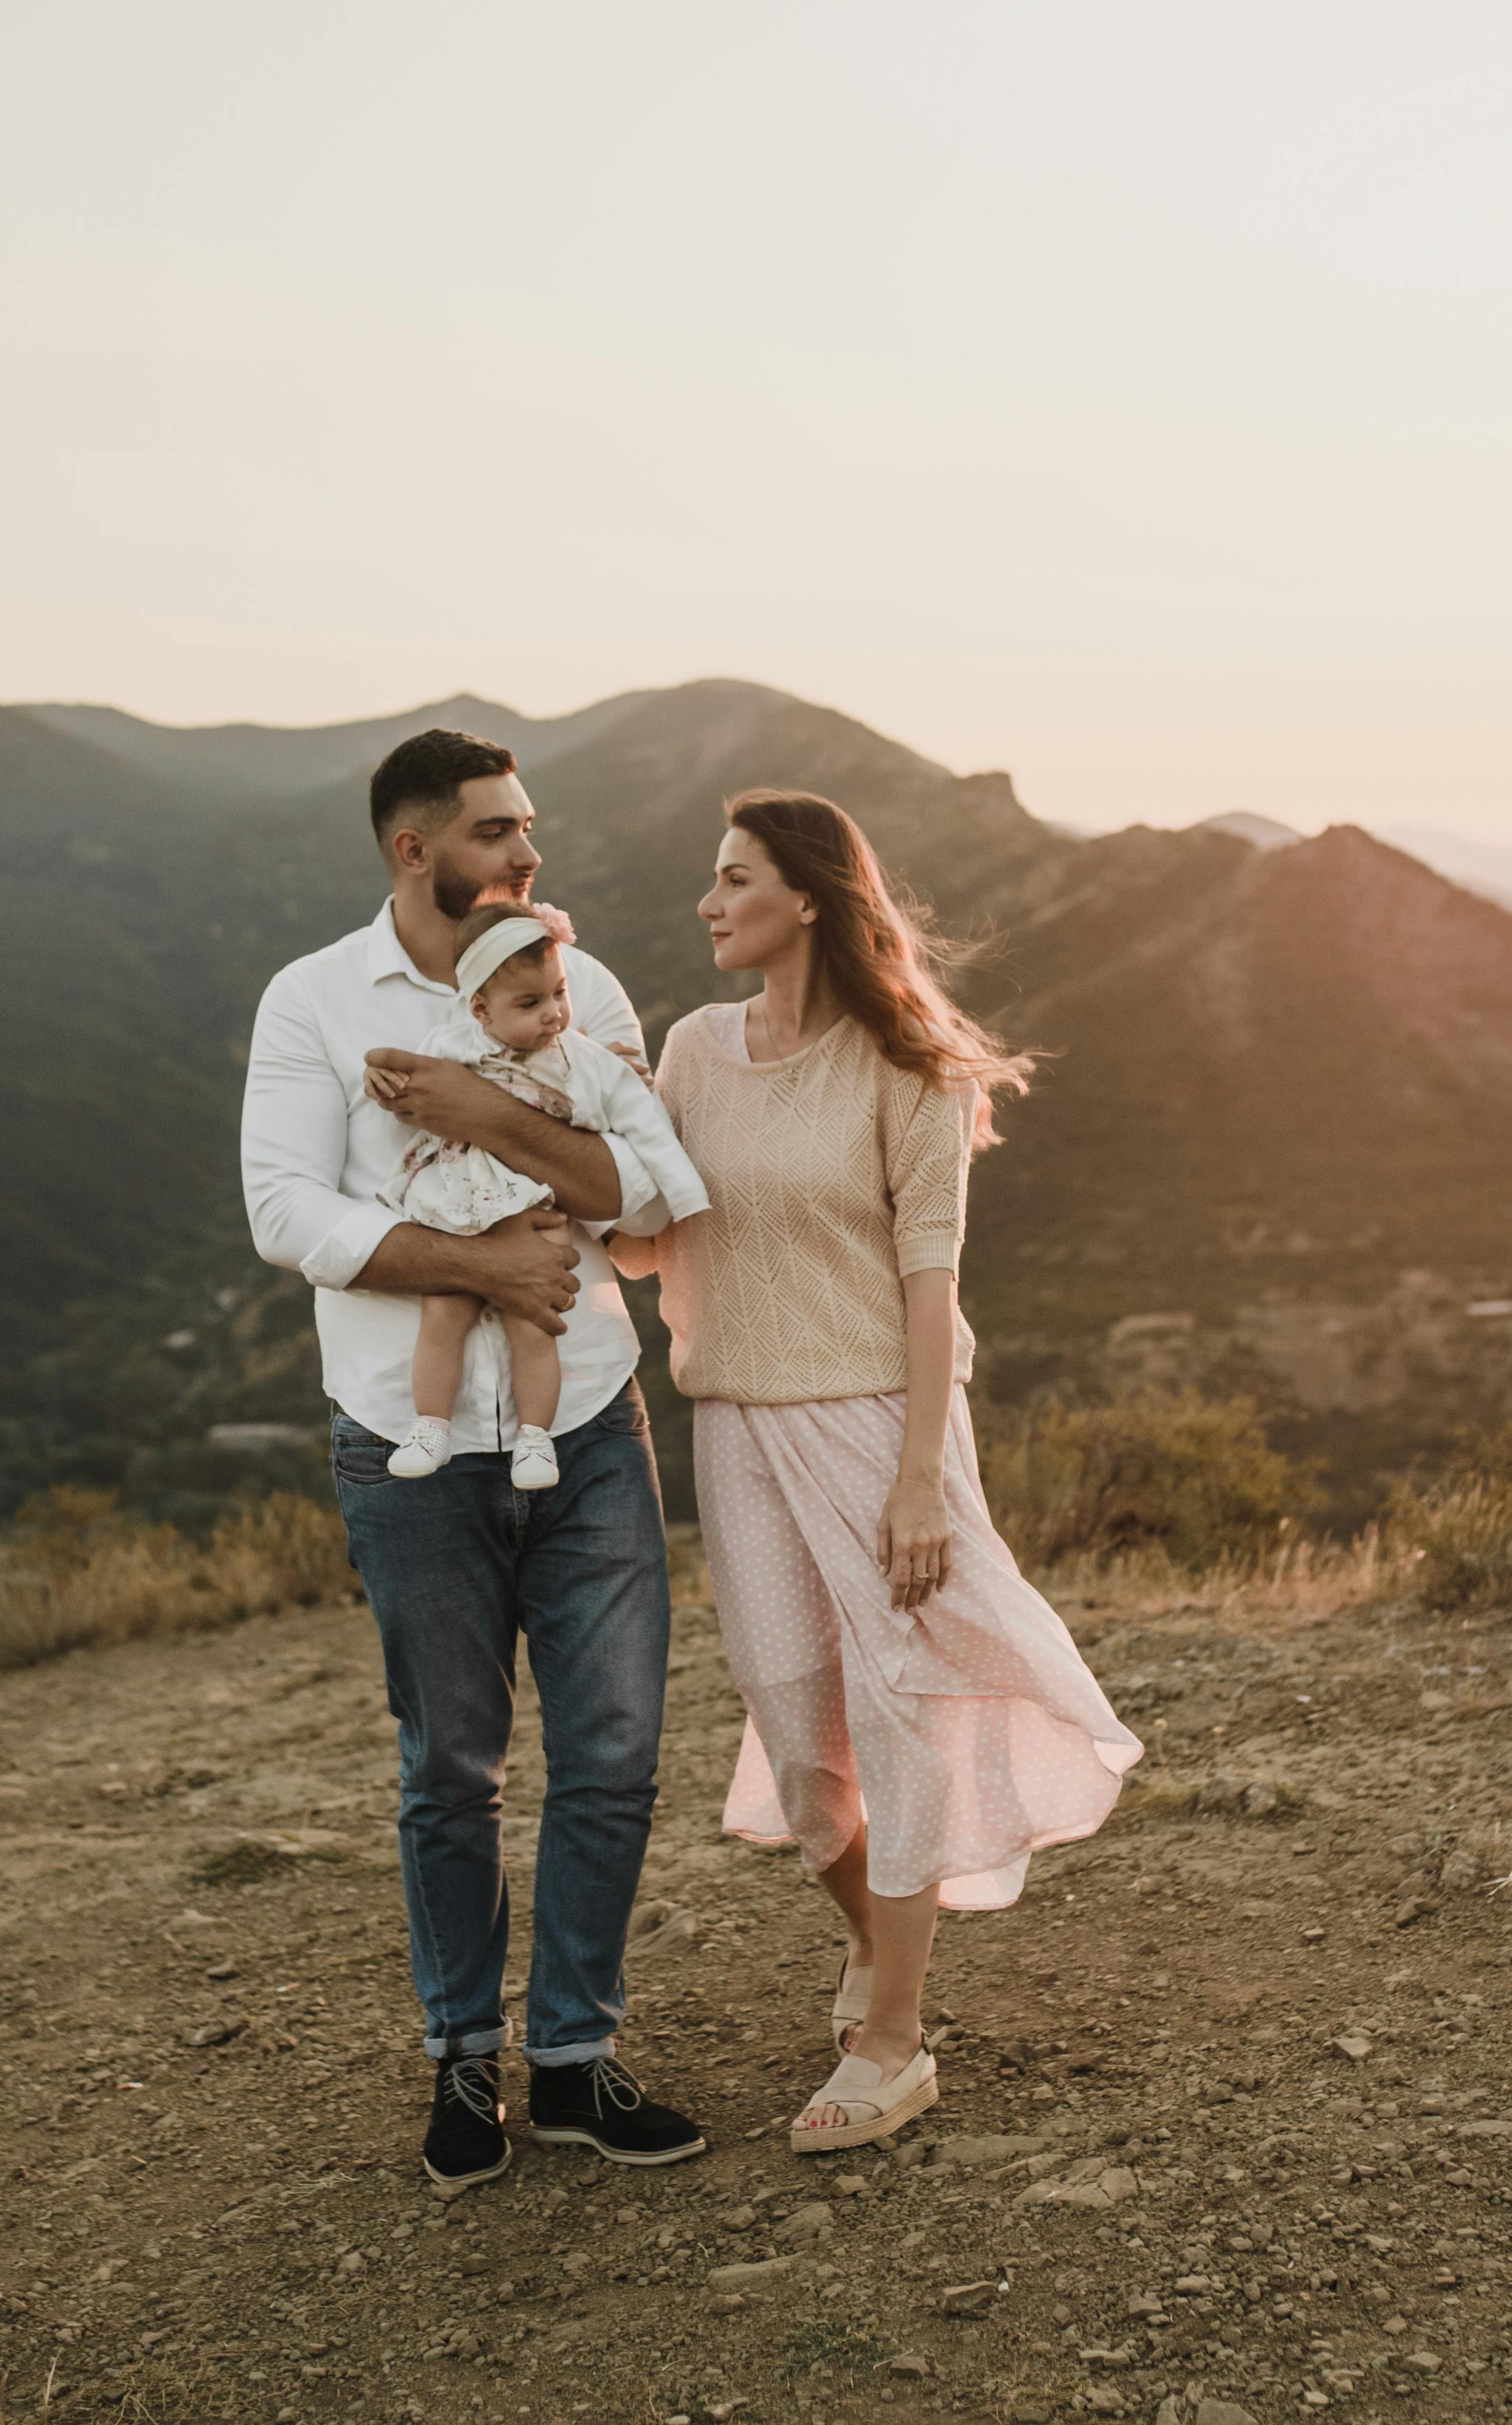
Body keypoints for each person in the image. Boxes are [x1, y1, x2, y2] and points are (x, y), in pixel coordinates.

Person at [619, 789, 1140, 2154]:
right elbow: (641, 1237)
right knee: (802, 1738)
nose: (707, 901)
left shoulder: (909, 1065)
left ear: (806, 897)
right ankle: (870, 1933)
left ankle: (898, 2039)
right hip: (734, 1421)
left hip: (875, 1418)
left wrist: (920, 1475)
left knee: (903, 1696)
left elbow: (930, 1282)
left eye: (732, 877)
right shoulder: (692, 1047)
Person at [239, 727, 706, 2195]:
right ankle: (463, 2057)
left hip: (591, 1428)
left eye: (530, 828)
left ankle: (571, 2058)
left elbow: (639, 1193)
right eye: (501, 831)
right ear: (415, 848)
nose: (528, 856)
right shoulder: (315, 998)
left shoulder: (588, 986)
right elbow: (283, 1209)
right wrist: (477, 1267)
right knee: (450, 1764)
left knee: (615, 1754)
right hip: (410, 1442)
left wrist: (494, 1114)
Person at [379, 901, 710, 1490]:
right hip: (461, 1205)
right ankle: (430, 1424)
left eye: (559, 994)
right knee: (443, 1314)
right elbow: (412, 1089)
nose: (555, 1014)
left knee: (533, 1324)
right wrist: (382, 1080)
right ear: (481, 1008)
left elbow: (645, 1123)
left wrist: (683, 1193)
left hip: (534, 1207)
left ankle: (536, 1439)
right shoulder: (453, 1044)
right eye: (530, 1005)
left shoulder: (582, 1061)